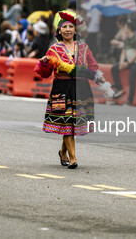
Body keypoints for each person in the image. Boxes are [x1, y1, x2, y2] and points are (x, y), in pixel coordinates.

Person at [35, 11, 106, 169]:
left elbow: (93, 67)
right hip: (62, 88)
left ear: (75, 30)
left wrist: (100, 78)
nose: (67, 29)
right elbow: (45, 73)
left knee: (72, 124)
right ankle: (73, 158)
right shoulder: (53, 49)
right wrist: (44, 63)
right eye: (64, 27)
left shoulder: (84, 48)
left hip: (81, 89)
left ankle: (62, 151)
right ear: (59, 31)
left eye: (70, 27)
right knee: (67, 122)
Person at [111, 21, 136, 105]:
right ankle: (119, 88)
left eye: (125, 27)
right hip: (128, 61)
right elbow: (123, 52)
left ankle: (130, 100)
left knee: (132, 79)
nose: (124, 29)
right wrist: (122, 62)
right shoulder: (126, 39)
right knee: (114, 68)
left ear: (129, 28)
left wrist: (128, 63)